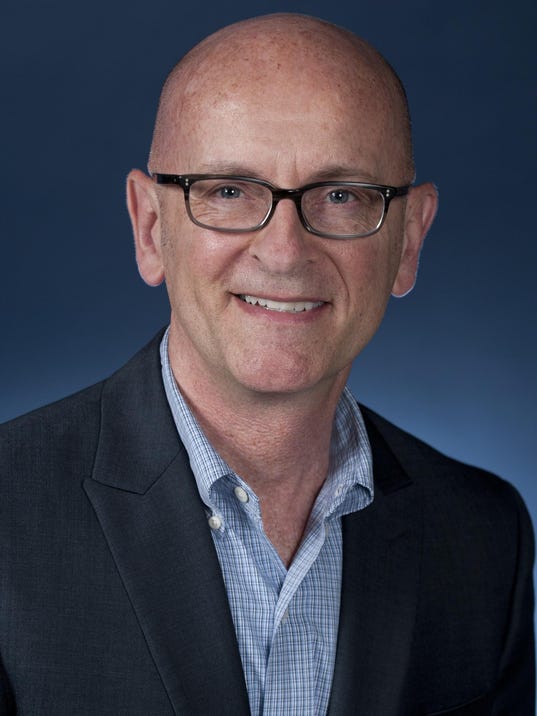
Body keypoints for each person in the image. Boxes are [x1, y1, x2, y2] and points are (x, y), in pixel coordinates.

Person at [0, 12, 533, 715]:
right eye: (228, 191)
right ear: (151, 228)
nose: (284, 252)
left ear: (408, 241)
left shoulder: (483, 537)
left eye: (341, 196)